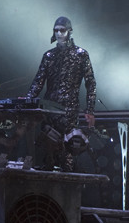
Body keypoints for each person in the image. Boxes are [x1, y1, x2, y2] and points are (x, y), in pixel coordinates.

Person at [25, 16, 96, 171]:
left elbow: (90, 83)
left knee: (68, 153)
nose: (58, 33)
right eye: (56, 30)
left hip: (69, 110)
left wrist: (90, 110)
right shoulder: (49, 56)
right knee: (47, 152)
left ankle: (67, 186)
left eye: (62, 30)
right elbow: (38, 81)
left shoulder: (81, 55)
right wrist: (27, 101)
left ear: (69, 31)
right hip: (49, 109)